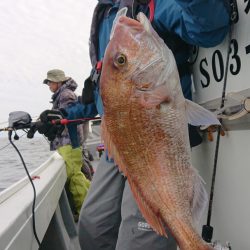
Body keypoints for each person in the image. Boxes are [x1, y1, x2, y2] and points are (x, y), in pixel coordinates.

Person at [38, 1, 230, 249]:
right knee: (91, 226)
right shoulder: (106, 15)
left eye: (121, 59)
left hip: (154, 143)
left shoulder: (158, 4)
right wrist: (63, 114)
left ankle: (189, 239)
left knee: (138, 239)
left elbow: (210, 28)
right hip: (118, 144)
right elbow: (105, 94)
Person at [41, 69, 90, 221]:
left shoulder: (65, 94)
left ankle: (84, 213)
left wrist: (52, 122)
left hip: (69, 141)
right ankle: (89, 205)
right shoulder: (62, 94)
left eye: (50, 82)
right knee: (77, 174)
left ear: (58, 81)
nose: (49, 85)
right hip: (67, 142)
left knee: (75, 177)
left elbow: (69, 116)